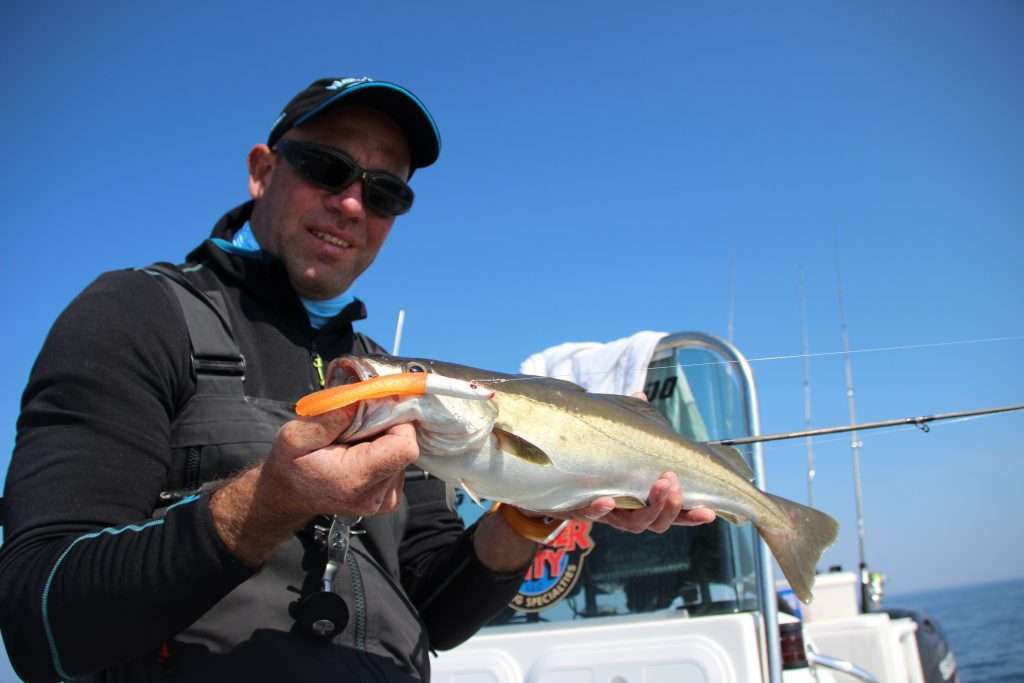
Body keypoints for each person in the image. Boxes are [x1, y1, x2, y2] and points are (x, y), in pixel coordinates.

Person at [0, 76, 715, 682]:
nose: (351, 204)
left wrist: (537, 508)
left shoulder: (399, 380)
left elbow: (435, 607)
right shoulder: (134, 315)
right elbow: (40, 619)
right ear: (262, 171)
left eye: (384, 193)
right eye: (325, 167)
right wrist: (266, 503)